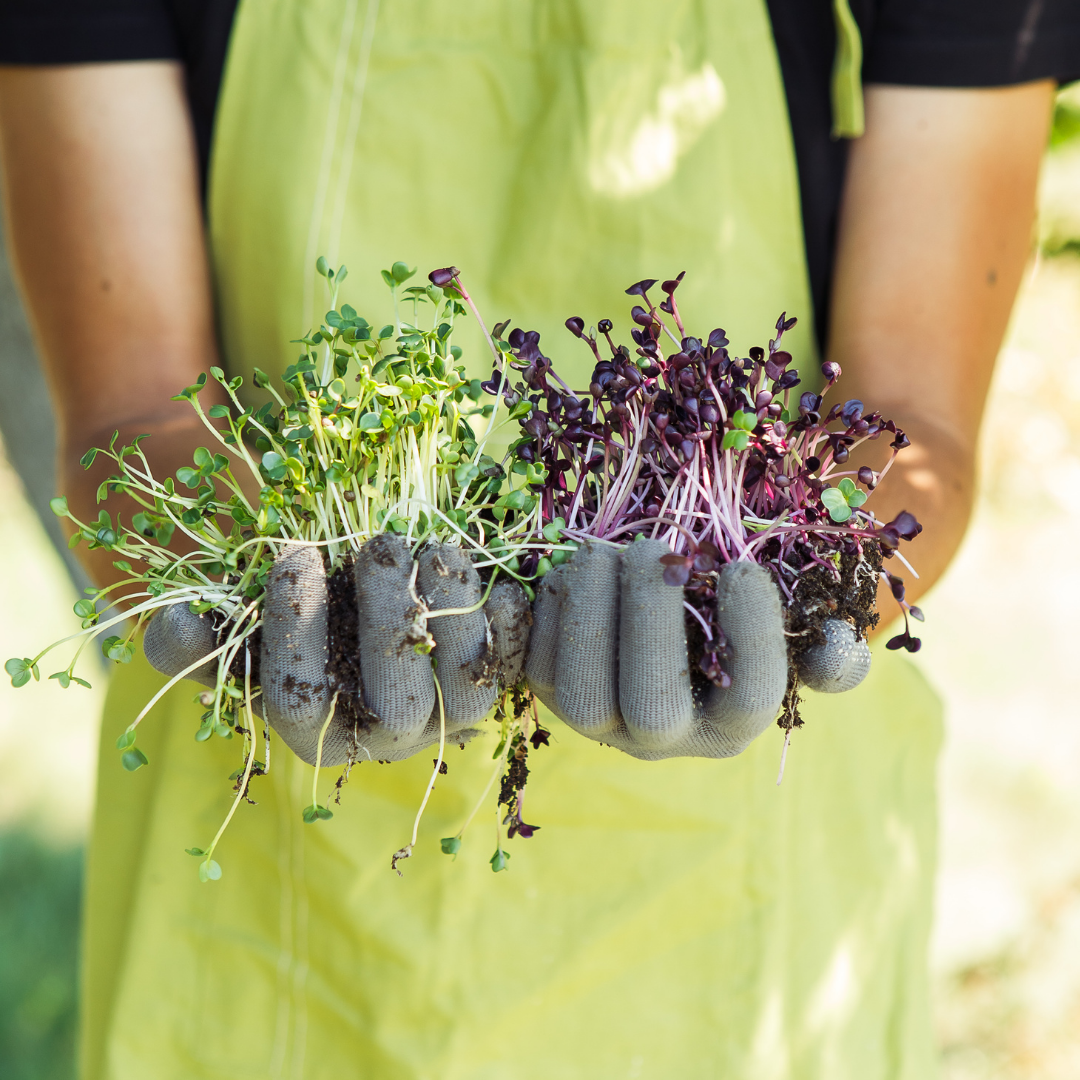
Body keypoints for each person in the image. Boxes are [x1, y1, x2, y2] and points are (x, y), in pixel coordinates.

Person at [0, 1, 1073, 1076]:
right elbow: (134, 413)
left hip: (750, 908)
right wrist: (260, 589)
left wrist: (787, 591)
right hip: (267, 905)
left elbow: (909, 418)